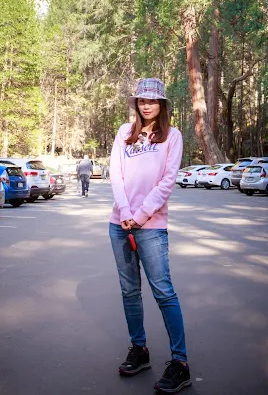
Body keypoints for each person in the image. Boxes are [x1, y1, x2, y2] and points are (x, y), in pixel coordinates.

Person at [109, 78, 191, 393]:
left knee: (163, 292)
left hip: (151, 226)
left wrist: (140, 214)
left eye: (153, 101)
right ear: (136, 103)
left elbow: (168, 181)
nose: (146, 105)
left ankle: (180, 363)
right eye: (142, 100)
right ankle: (139, 349)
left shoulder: (172, 136)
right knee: (130, 292)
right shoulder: (123, 133)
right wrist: (125, 212)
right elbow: (115, 173)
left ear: (162, 105)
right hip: (119, 223)